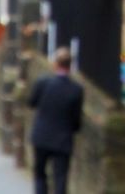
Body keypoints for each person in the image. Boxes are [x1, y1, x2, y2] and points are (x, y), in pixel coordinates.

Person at [27, 47, 84, 194]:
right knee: (61, 178)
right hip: (63, 139)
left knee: (40, 173)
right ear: (69, 66)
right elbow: (76, 120)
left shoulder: (42, 83)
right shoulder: (76, 90)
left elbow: (31, 103)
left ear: (55, 64)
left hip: (42, 136)